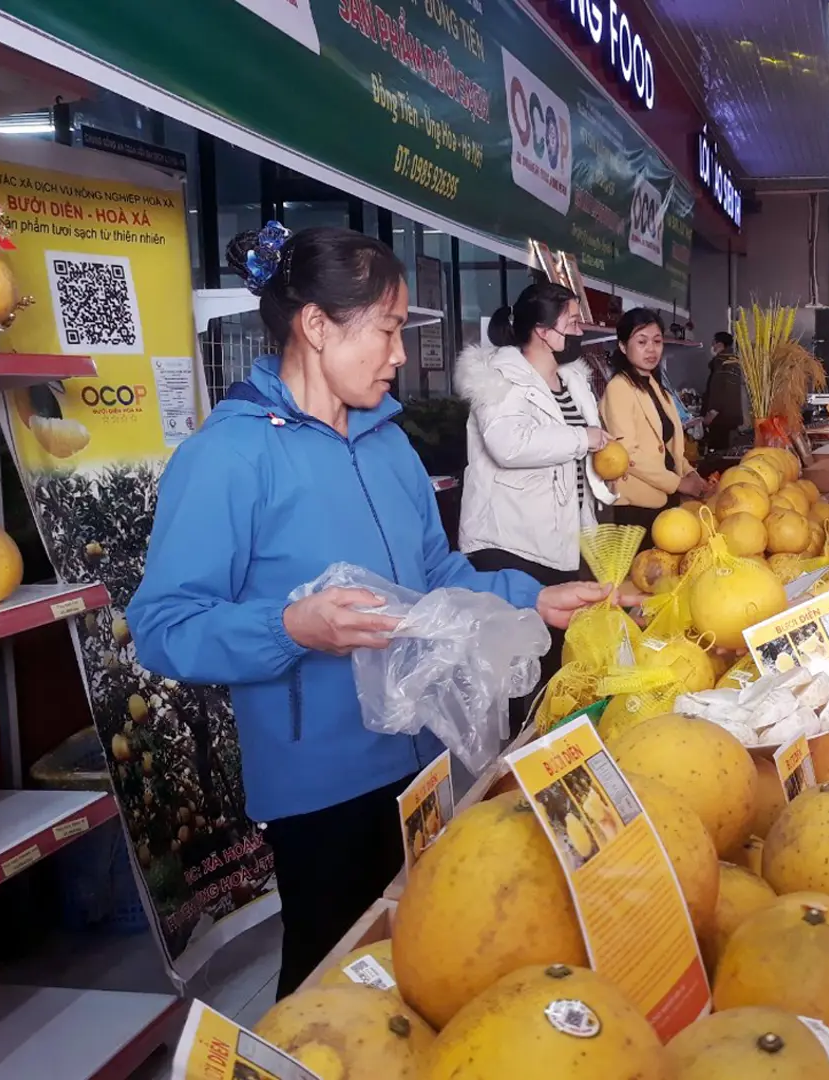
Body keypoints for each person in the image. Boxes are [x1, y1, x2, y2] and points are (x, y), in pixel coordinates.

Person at [127, 224, 616, 998]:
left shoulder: (389, 446)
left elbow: (437, 576)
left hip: (420, 761)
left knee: (407, 957)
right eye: (388, 329)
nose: (399, 353)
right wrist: (289, 629)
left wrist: (532, 595)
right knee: (328, 976)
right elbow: (163, 626)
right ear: (316, 326)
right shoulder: (228, 457)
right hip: (317, 782)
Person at [455, 282, 610, 733]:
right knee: (520, 674)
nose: (580, 329)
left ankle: (552, 755)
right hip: (510, 543)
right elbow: (509, 444)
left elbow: (583, 449)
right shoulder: (499, 378)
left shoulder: (573, 380)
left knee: (556, 667)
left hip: (563, 539)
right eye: (573, 321)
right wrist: (586, 440)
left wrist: (606, 471)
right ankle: (514, 769)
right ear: (543, 330)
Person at [600, 307, 709, 534]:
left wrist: (690, 473)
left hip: (664, 497)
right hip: (637, 505)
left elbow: (668, 446)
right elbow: (627, 454)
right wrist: (679, 483)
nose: (651, 349)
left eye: (657, 341)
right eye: (642, 342)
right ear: (622, 346)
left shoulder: (657, 386)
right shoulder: (619, 388)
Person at [703, 331, 745, 452]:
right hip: (730, 419)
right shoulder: (733, 362)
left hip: (722, 421)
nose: (712, 346)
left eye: (713, 343)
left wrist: (711, 414)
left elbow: (721, 391)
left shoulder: (724, 363)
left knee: (718, 456)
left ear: (720, 345)